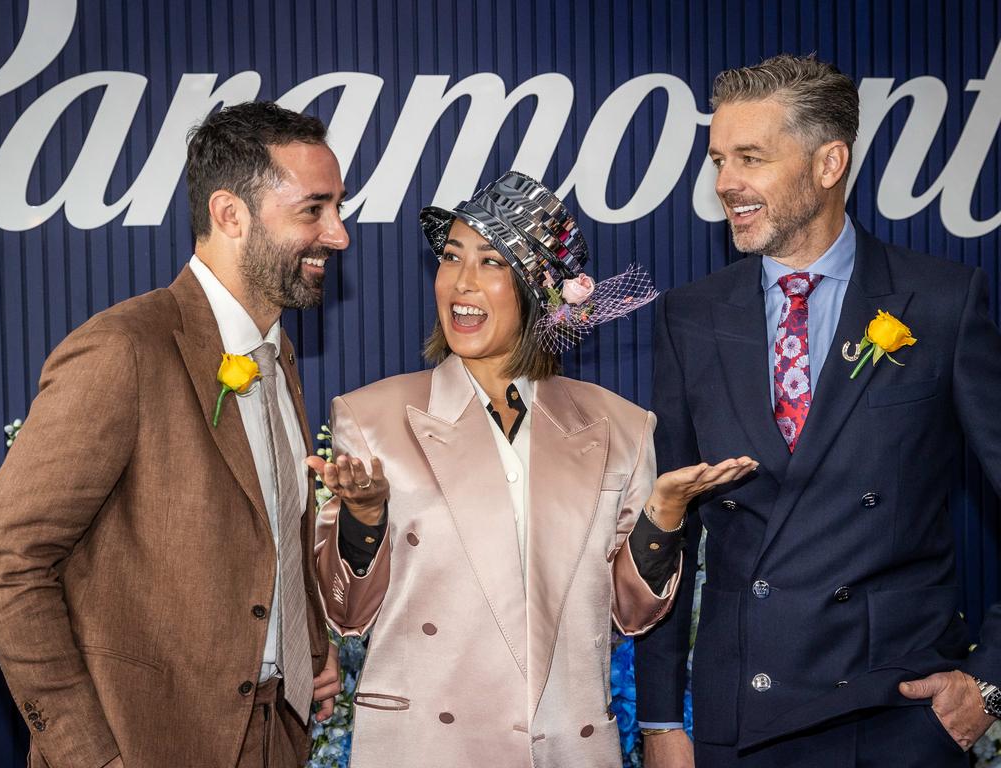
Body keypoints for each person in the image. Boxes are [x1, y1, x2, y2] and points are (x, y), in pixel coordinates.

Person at [308, 171, 756, 768]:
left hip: (568, 746)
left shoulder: (620, 427)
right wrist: (364, 516)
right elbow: (346, 610)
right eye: (450, 257)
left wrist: (664, 514)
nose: (461, 283)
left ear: (539, 288)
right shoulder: (370, 417)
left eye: (491, 262)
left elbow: (632, 612)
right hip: (424, 745)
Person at [634, 54, 1001, 767]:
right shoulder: (689, 317)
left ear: (829, 163)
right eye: (717, 160)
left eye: (750, 158)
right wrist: (656, 719)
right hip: (740, 714)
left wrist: (989, 682)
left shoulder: (944, 303)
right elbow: (668, 522)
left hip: (896, 713)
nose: (724, 184)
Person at [0, 101, 347, 768]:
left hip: (275, 740)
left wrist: (306, 651)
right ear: (231, 215)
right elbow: (8, 563)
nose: (339, 234)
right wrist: (85, 756)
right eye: (314, 211)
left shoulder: (278, 356)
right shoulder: (124, 349)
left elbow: (266, 534)